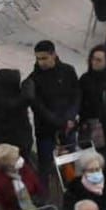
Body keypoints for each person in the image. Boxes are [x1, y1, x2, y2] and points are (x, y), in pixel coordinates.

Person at [23, 42, 80, 177]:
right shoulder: (33, 79)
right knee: (45, 165)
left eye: (44, 58)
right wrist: (59, 121)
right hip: (46, 129)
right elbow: (37, 107)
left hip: (68, 126)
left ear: (53, 55)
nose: (41, 62)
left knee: (69, 163)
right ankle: (45, 193)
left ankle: (71, 188)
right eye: (38, 58)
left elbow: (76, 95)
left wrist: (70, 117)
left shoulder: (68, 71)